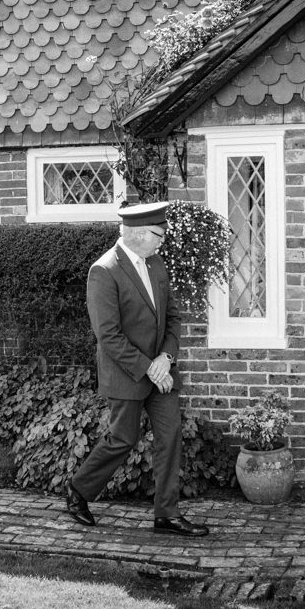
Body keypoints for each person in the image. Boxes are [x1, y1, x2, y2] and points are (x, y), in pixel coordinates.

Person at [64, 201, 209, 537]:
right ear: (140, 234)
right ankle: (79, 489)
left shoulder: (156, 263)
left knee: (170, 437)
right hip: (126, 374)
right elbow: (109, 337)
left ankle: (167, 515)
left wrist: (166, 359)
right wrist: (149, 368)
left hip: (161, 372)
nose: (162, 241)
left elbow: (173, 318)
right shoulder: (104, 270)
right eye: (159, 235)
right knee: (122, 440)